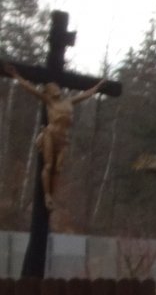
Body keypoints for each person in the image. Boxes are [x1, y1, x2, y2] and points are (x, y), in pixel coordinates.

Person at [3, 64, 105, 211]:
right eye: (52, 88)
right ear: (49, 92)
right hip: (51, 134)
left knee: (58, 168)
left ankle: (53, 195)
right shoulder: (50, 102)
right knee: (48, 165)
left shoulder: (69, 101)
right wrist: (16, 76)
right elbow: (31, 88)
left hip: (64, 138)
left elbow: (86, 94)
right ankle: (47, 195)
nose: (56, 89)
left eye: (56, 87)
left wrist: (99, 86)